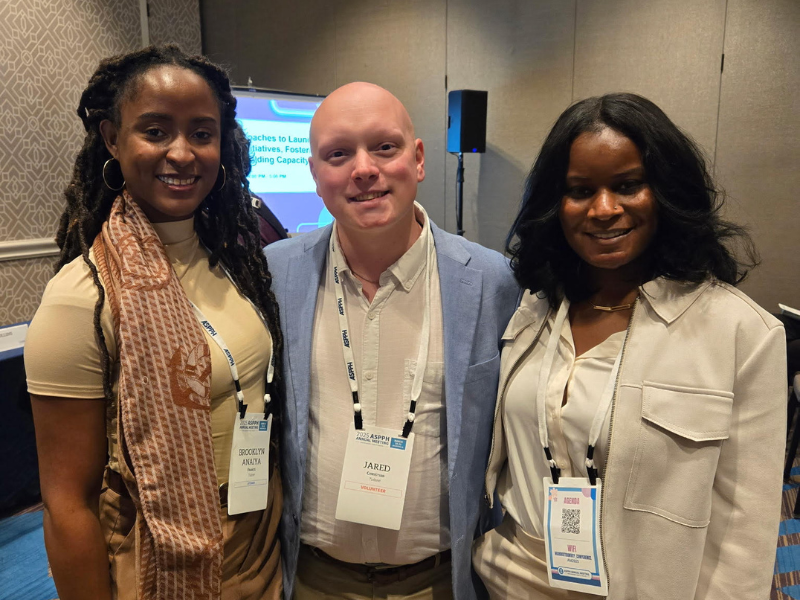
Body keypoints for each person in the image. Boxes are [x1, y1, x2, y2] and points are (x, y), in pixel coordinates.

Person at [472, 93, 786, 599]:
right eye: (579, 190)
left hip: (640, 583)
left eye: (627, 186)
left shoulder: (739, 334)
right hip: (512, 576)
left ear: (664, 191)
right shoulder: (535, 309)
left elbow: (744, 536)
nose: (603, 209)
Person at [25, 45, 284, 600]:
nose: (183, 153)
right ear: (112, 139)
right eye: (156, 130)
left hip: (258, 542)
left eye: (201, 132)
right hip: (160, 561)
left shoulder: (232, 262)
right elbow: (66, 501)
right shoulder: (82, 297)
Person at [264, 82, 519, 599]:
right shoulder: (274, 275)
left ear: (418, 159)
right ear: (315, 176)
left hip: (439, 583)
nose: (363, 169)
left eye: (384, 147)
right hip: (313, 579)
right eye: (339, 154)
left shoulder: (494, 282)